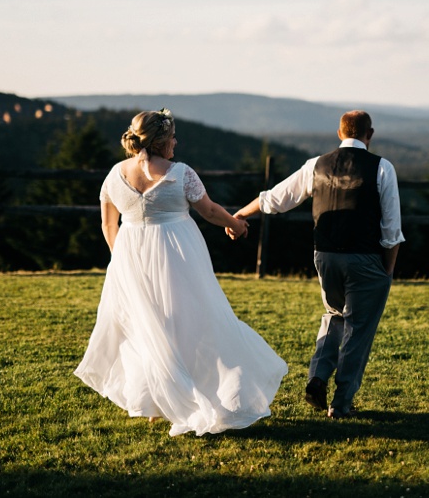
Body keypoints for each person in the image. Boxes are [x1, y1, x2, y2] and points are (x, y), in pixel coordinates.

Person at [74, 108, 287, 436]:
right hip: (178, 260)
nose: (176, 141)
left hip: (131, 259)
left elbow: (107, 223)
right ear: (159, 141)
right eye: (171, 136)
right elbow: (211, 211)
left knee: (149, 327)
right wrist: (235, 225)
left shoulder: (115, 174)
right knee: (193, 324)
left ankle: (156, 404)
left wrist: (121, 261)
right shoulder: (181, 173)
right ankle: (187, 397)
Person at [231, 110, 404, 419]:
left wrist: (241, 214)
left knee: (335, 316)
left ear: (340, 134)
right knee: (359, 329)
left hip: (324, 256)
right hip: (366, 259)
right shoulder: (382, 168)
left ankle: (317, 376)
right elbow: (391, 230)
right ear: (370, 134)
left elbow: (275, 199)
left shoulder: (316, 165)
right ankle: (340, 402)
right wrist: (387, 271)